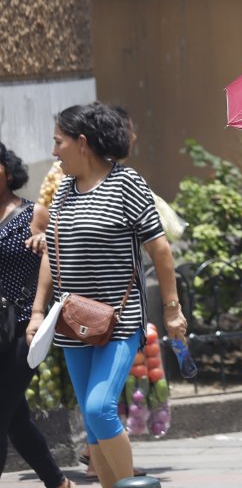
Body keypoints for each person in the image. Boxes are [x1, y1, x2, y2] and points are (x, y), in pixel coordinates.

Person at [24, 103, 187, 488]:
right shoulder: (63, 190)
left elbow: (160, 250)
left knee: (99, 409)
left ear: (82, 143)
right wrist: (36, 312)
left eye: (58, 142)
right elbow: (53, 250)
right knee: (93, 423)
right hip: (71, 321)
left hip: (119, 320)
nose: (53, 151)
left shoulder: (127, 184)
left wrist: (172, 310)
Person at [1, 144, 71, 488]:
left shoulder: (32, 215)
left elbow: (58, 252)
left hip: (21, 327)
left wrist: (45, 244)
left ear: (8, 173)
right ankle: (59, 484)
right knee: (15, 419)